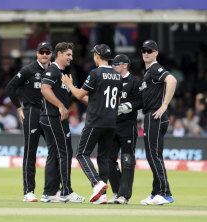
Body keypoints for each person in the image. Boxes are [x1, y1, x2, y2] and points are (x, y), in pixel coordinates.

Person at [62, 44, 123, 204]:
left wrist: (69, 85)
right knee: (103, 157)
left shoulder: (95, 73)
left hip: (95, 121)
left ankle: (97, 183)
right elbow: (115, 101)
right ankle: (102, 196)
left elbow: (80, 94)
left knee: (82, 153)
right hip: (111, 122)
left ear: (97, 55)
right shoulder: (117, 75)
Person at [6, 41, 52, 202]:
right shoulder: (28, 70)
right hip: (32, 111)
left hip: (50, 113)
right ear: (37, 53)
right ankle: (28, 191)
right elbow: (10, 87)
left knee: (55, 151)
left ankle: (52, 191)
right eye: (42, 52)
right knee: (30, 152)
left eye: (47, 52)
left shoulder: (55, 70)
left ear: (51, 54)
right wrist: (19, 108)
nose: (44, 55)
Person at [39, 42, 84, 203]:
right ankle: (66, 191)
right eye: (68, 55)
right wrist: (61, 107)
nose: (71, 58)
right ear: (58, 54)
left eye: (71, 55)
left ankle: (49, 192)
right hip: (53, 117)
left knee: (54, 153)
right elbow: (45, 89)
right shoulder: (53, 70)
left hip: (54, 118)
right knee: (65, 152)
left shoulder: (63, 74)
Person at [138, 40, 177, 205]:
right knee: (155, 155)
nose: (146, 53)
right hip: (155, 115)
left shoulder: (154, 68)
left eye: (149, 50)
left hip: (155, 116)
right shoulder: (148, 71)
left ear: (156, 52)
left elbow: (172, 80)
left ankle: (165, 193)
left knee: (152, 155)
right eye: (144, 50)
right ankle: (156, 192)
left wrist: (164, 105)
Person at [106, 54, 142, 204]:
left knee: (127, 159)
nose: (113, 66)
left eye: (116, 63)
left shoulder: (134, 81)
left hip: (127, 124)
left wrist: (129, 106)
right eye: (112, 63)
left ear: (125, 65)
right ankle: (117, 192)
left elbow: (142, 100)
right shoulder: (110, 80)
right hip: (111, 124)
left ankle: (124, 195)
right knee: (108, 158)